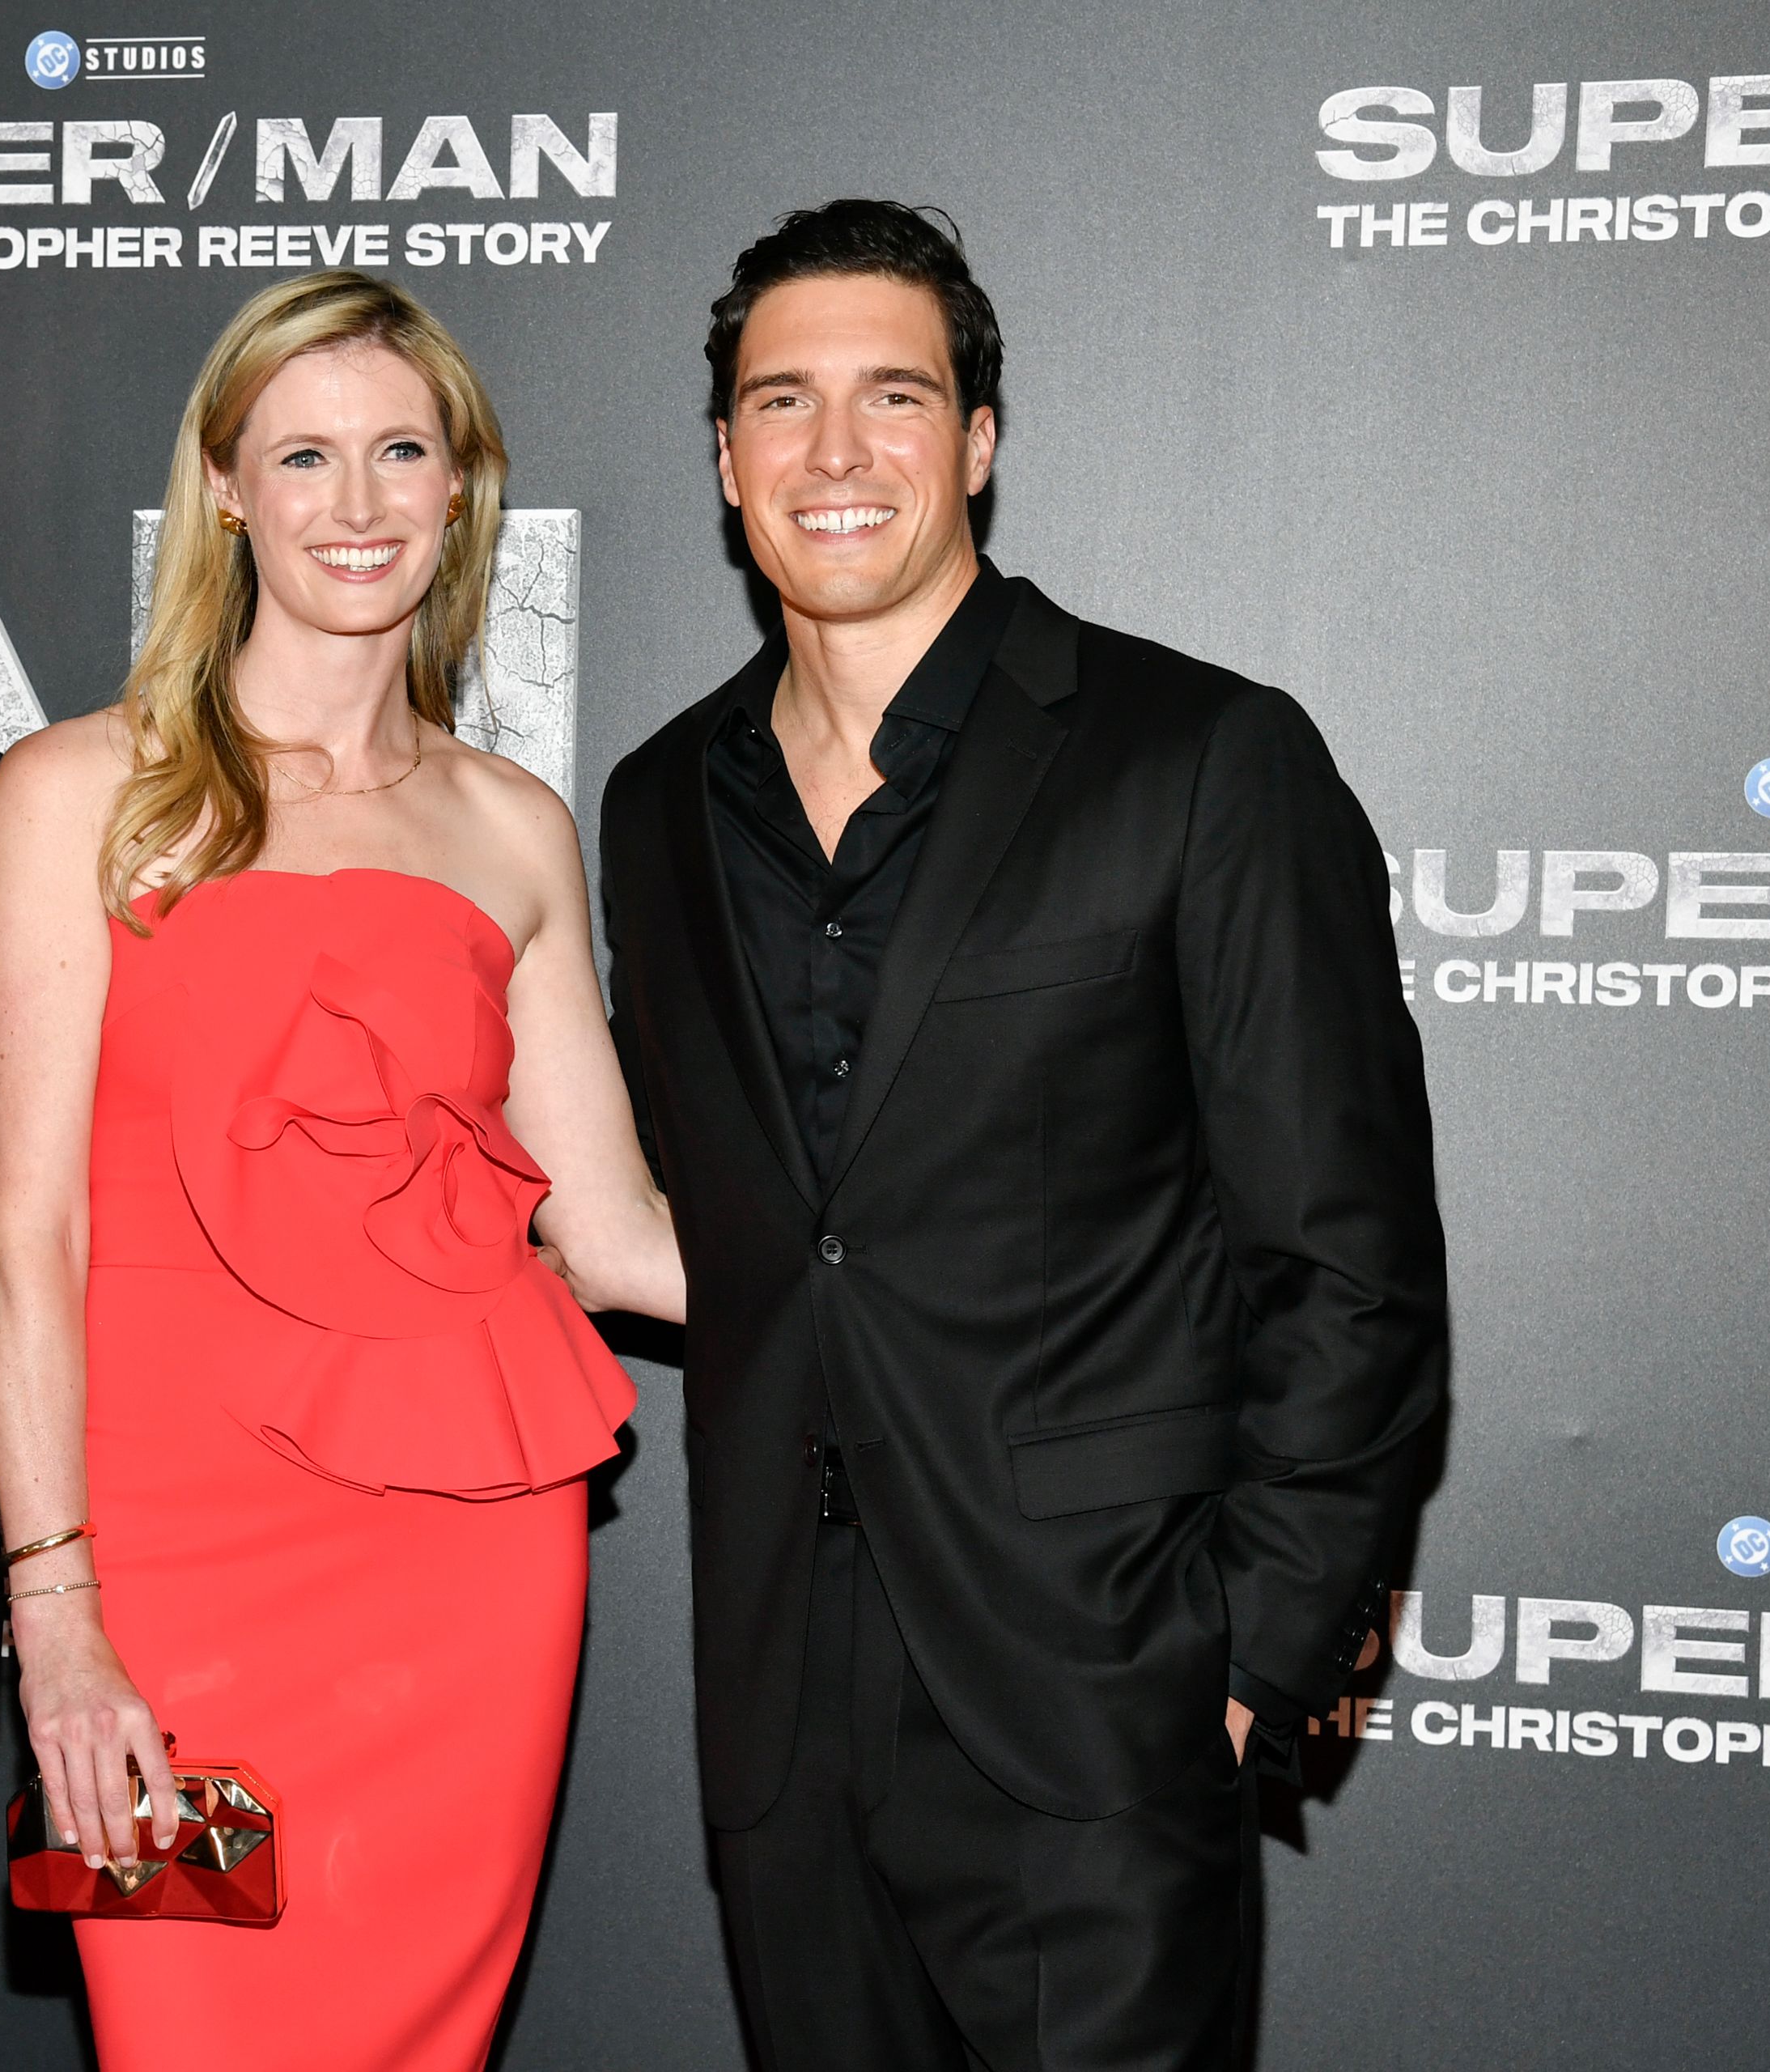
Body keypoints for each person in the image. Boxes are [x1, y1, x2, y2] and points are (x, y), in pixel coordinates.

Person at [588, 200, 1449, 2070]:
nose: (833, 455)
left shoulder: (1201, 755)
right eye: (780, 403)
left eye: (892, 397)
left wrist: (1252, 1659)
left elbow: (1347, 1250)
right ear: (726, 456)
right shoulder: (661, 802)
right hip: (778, 1704)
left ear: (977, 439)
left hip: (1100, 1693)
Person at [0, 270, 681, 2071]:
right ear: (225, 488)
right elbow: (30, 1236)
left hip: (466, 1568)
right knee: (187, 2032)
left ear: (463, 487)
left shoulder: (515, 823)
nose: (356, 503)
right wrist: (56, 1611)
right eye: (304, 454)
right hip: (169, 1569)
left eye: (399, 451)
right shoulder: (85, 789)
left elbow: (613, 1238)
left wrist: (1002, 1261)